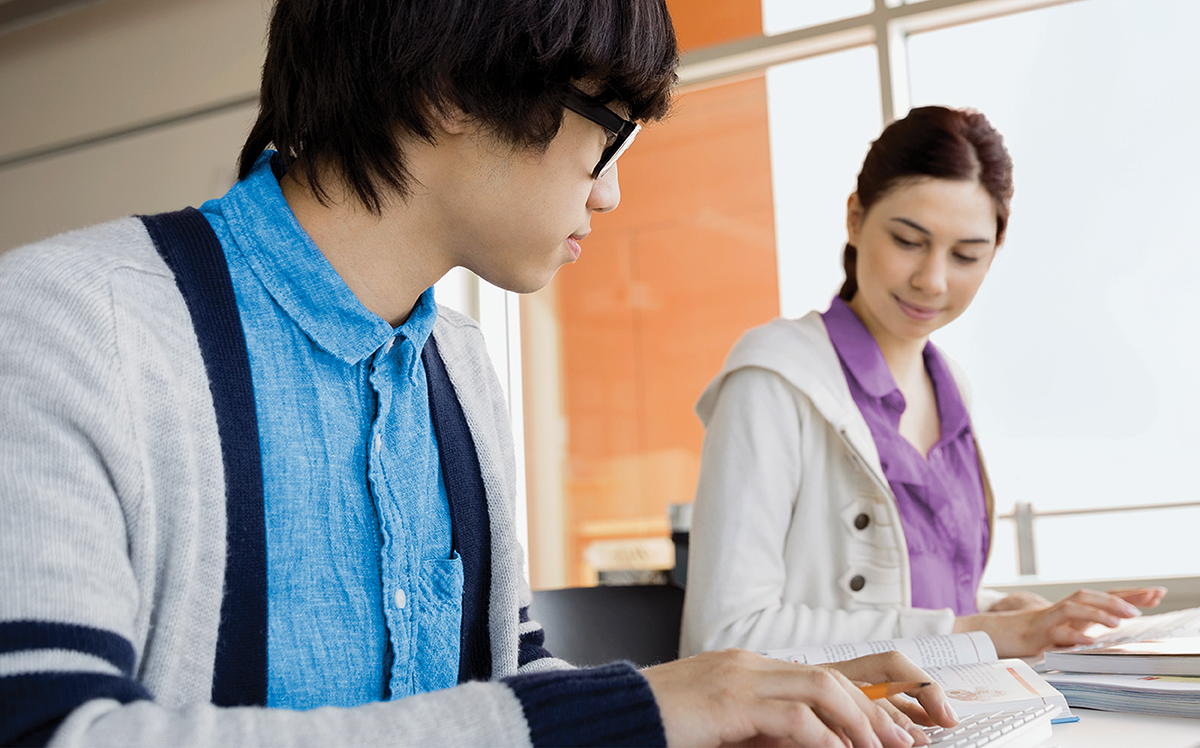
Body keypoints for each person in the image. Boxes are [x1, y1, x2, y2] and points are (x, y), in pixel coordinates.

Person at [0, 1, 958, 746]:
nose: (613, 188)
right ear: (452, 89)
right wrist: (643, 715)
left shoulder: (456, 365)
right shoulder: (68, 328)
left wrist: (751, 704)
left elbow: (504, 683)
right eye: (609, 130)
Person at [680, 105, 1166, 661]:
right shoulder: (772, 380)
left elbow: (908, 597)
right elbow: (723, 637)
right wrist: (977, 634)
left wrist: (1004, 612)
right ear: (856, 219)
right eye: (909, 241)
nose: (931, 280)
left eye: (965, 255)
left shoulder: (951, 387)